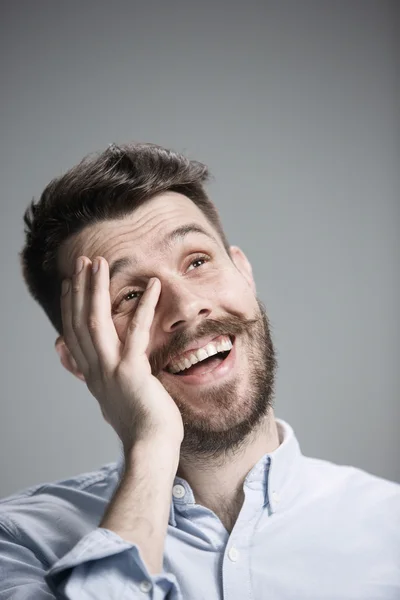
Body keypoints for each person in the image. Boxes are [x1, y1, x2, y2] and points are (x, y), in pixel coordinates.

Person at [0, 143, 399, 600]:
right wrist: (151, 446)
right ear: (78, 358)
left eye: (197, 262)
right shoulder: (17, 541)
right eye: (129, 297)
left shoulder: (391, 531)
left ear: (243, 273)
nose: (187, 307)